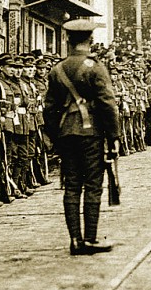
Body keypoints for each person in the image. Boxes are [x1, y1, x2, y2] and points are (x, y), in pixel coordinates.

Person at [43, 19, 119, 255]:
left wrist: (56, 137)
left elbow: (49, 108)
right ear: (90, 40)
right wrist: (114, 135)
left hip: (66, 134)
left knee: (72, 186)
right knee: (93, 185)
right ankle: (90, 238)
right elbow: (108, 104)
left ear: (68, 40)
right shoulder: (95, 67)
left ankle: (75, 240)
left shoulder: (57, 69)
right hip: (91, 133)